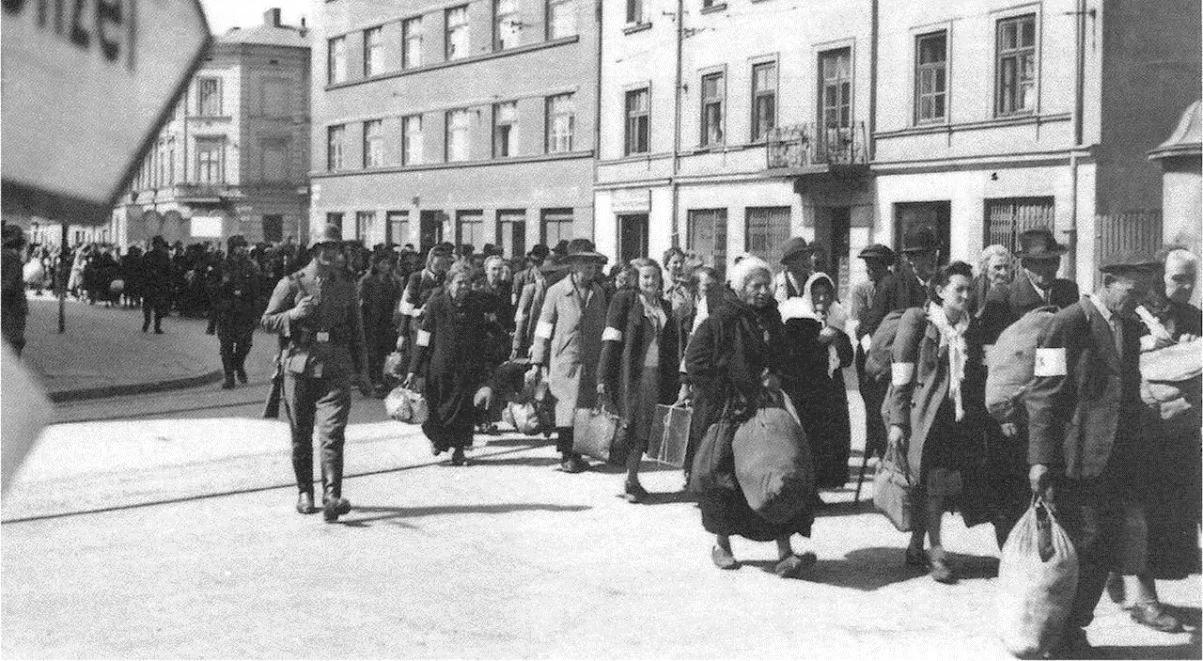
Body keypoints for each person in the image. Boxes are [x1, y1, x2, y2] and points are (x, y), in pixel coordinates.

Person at [1026, 251, 1158, 656]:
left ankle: (1076, 625)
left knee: (1103, 545)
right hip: (1075, 458)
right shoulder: (1067, 322)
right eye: (1133, 291)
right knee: (1077, 547)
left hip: (1117, 458)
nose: (1138, 301)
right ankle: (1057, 631)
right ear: (1112, 280)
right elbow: (1043, 393)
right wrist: (1040, 459)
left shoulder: (1131, 326)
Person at [685, 256, 816, 577]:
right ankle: (722, 545)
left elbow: (785, 355)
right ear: (740, 288)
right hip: (730, 411)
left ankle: (785, 551)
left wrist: (778, 375)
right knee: (726, 479)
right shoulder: (722, 319)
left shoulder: (772, 317)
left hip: (767, 407)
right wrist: (730, 390)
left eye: (766, 285)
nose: (762, 291)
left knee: (779, 469)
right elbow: (695, 361)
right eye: (755, 286)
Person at [1105, 247, 1200, 633]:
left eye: (1192, 277)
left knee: (1171, 515)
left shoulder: (1195, 317)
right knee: (1141, 511)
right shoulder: (1137, 316)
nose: (1187, 285)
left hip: (1180, 432)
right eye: (1178, 278)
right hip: (1141, 430)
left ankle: (1122, 569)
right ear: (1161, 279)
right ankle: (1145, 599)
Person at [886, 261, 990, 584]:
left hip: (954, 418)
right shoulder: (920, 322)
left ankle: (918, 545)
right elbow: (901, 377)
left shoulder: (971, 328)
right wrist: (898, 422)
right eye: (958, 289)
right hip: (923, 418)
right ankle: (937, 551)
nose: (965, 294)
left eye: (968, 289)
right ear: (940, 291)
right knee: (931, 483)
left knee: (936, 484)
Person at [261, 224, 373, 523]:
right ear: (313, 250)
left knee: (332, 433)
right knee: (300, 434)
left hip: (335, 366)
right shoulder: (292, 284)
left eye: (334, 247)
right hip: (298, 366)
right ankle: (304, 492)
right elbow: (267, 320)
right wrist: (293, 316)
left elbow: (357, 332)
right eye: (323, 247)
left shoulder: (347, 285)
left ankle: (332, 496)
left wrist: (363, 371)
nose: (329, 252)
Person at [598, 258, 681, 503]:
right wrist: (602, 375)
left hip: (658, 376)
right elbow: (611, 338)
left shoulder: (665, 307)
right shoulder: (625, 301)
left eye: (654, 277)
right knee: (632, 425)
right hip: (631, 377)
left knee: (647, 428)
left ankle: (632, 478)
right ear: (637, 279)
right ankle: (631, 478)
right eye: (645, 277)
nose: (650, 281)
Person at [526, 241, 609, 473]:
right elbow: (543, 327)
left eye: (593, 263)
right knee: (566, 407)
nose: (591, 267)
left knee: (584, 407)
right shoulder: (556, 292)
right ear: (573, 265)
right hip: (565, 358)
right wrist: (537, 362)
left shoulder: (598, 293)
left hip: (590, 358)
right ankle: (566, 455)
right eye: (585, 262)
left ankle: (578, 452)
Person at [405, 262, 500, 466]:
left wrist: (485, 366)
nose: (464, 287)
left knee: (464, 410)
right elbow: (424, 336)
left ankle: (459, 451)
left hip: (466, 368)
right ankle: (437, 439)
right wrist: (414, 369)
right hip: (439, 368)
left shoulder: (475, 305)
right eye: (459, 283)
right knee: (437, 409)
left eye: (467, 283)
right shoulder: (436, 304)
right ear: (449, 284)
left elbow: (481, 337)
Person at [780, 273, 854, 499]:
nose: (822, 298)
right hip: (807, 389)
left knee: (830, 438)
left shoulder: (838, 318)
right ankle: (807, 490)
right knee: (808, 437)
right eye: (817, 293)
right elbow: (795, 354)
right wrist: (817, 341)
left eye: (826, 293)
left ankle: (822, 485)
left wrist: (836, 338)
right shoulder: (797, 318)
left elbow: (847, 358)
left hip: (831, 391)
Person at [849, 244, 895, 457]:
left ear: (884, 265)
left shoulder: (891, 286)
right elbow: (861, 323)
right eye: (867, 264)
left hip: (884, 352)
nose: (869, 269)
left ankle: (882, 445)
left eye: (873, 264)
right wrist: (869, 350)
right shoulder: (863, 289)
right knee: (870, 400)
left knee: (882, 402)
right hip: (869, 350)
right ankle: (873, 443)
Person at [861, 225, 938, 340]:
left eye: (933, 254)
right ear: (910, 259)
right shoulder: (891, 286)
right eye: (924, 255)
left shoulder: (942, 286)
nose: (932, 260)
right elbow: (870, 328)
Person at [211, 235, 261, 389]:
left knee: (244, 345)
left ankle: (238, 365)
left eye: (243, 246)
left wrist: (257, 312)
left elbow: (257, 290)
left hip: (245, 312)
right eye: (239, 246)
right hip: (227, 311)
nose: (242, 249)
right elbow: (211, 288)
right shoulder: (222, 266)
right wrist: (222, 286)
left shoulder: (250, 267)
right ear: (232, 248)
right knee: (226, 346)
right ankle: (229, 377)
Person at [1008, 228, 1079, 320]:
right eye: (1036, 263)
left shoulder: (1069, 291)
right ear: (1025, 264)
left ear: (1058, 263)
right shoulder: (1009, 297)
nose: (1044, 269)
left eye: (1049, 262)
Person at [358, 253, 402, 396]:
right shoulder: (367, 280)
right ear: (375, 264)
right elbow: (361, 299)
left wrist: (396, 314)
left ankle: (380, 378)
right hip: (370, 320)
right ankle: (371, 380)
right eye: (382, 263)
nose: (385, 266)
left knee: (384, 350)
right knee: (372, 351)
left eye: (387, 263)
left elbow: (397, 298)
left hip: (386, 320)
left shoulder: (392, 280)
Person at [971, 244, 1014, 346]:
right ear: (985, 268)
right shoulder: (973, 289)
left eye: (1006, 267)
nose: (1003, 273)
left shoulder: (1013, 291)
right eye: (997, 268)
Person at [663, 247, 695, 358]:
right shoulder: (661, 286)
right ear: (667, 264)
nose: (679, 265)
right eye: (675, 262)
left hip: (682, 334)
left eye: (681, 262)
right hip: (665, 333)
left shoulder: (685, 288)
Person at [1, 224, 29, 357]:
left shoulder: (4, 254)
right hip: (12, 308)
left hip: (8, 307)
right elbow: (8, 285)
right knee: (13, 343)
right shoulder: (11, 257)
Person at [141, 236, 172, 334]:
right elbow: (142, 269)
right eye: (156, 244)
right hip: (149, 283)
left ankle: (157, 326)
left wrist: (168, 282)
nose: (158, 246)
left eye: (160, 244)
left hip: (160, 283)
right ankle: (147, 322)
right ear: (153, 245)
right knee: (147, 305)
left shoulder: (165, 256)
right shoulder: (148, 255)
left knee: (159, 306)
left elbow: (168, 270)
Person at [773, 237, 816, 303]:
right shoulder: (779, 282)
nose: (808, 262)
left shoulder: (814, 279)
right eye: (803, 259)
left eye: (808, 258)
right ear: (790, 262)